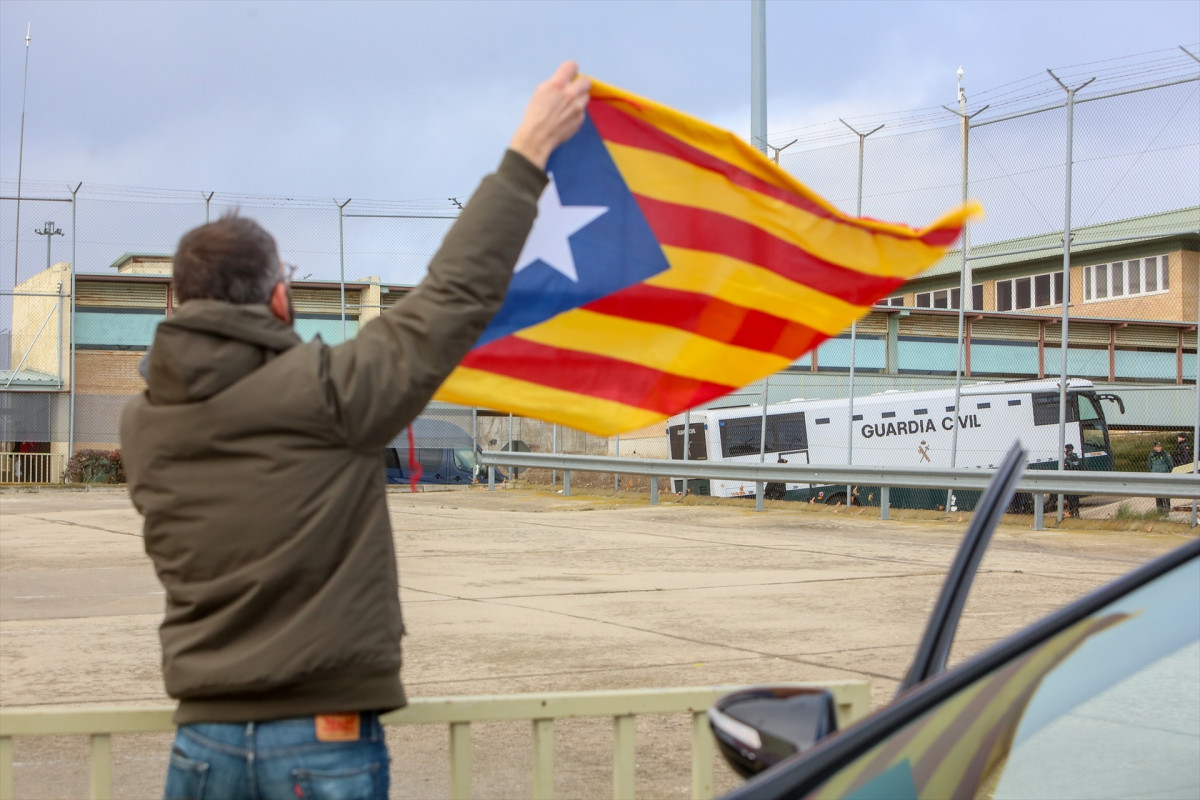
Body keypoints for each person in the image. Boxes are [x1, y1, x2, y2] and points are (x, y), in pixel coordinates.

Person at [120, 61, 590, 800]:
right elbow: (452, 295)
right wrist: (527, 153)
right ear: (278, 297)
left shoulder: (144, 422)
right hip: (322, 736)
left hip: (202, 739)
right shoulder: (327, 393)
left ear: (176, 302)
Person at [1147, 440, 1174, 516]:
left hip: (1164, 476)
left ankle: (1166, 511)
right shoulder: (1152, 455)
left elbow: (1170, 465)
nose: (1159, 448)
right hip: (1155, 477)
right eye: (1157, 447)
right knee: (1158, 495)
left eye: (1160, 446)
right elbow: (1150, 465)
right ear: (1154, 447)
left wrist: (1166, 472)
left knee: (1165, 494)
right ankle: (1159, 511)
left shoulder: (1165, 454)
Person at [1063, 443, 1082, 518]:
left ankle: (1071, 512)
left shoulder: (1067, 459)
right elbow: (1080, 467)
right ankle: (1076, 512)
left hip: (1069, 480)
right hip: (1076, 479)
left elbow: (1066, 470)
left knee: (1070, 497)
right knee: (1075, 497)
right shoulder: (1076, 458)